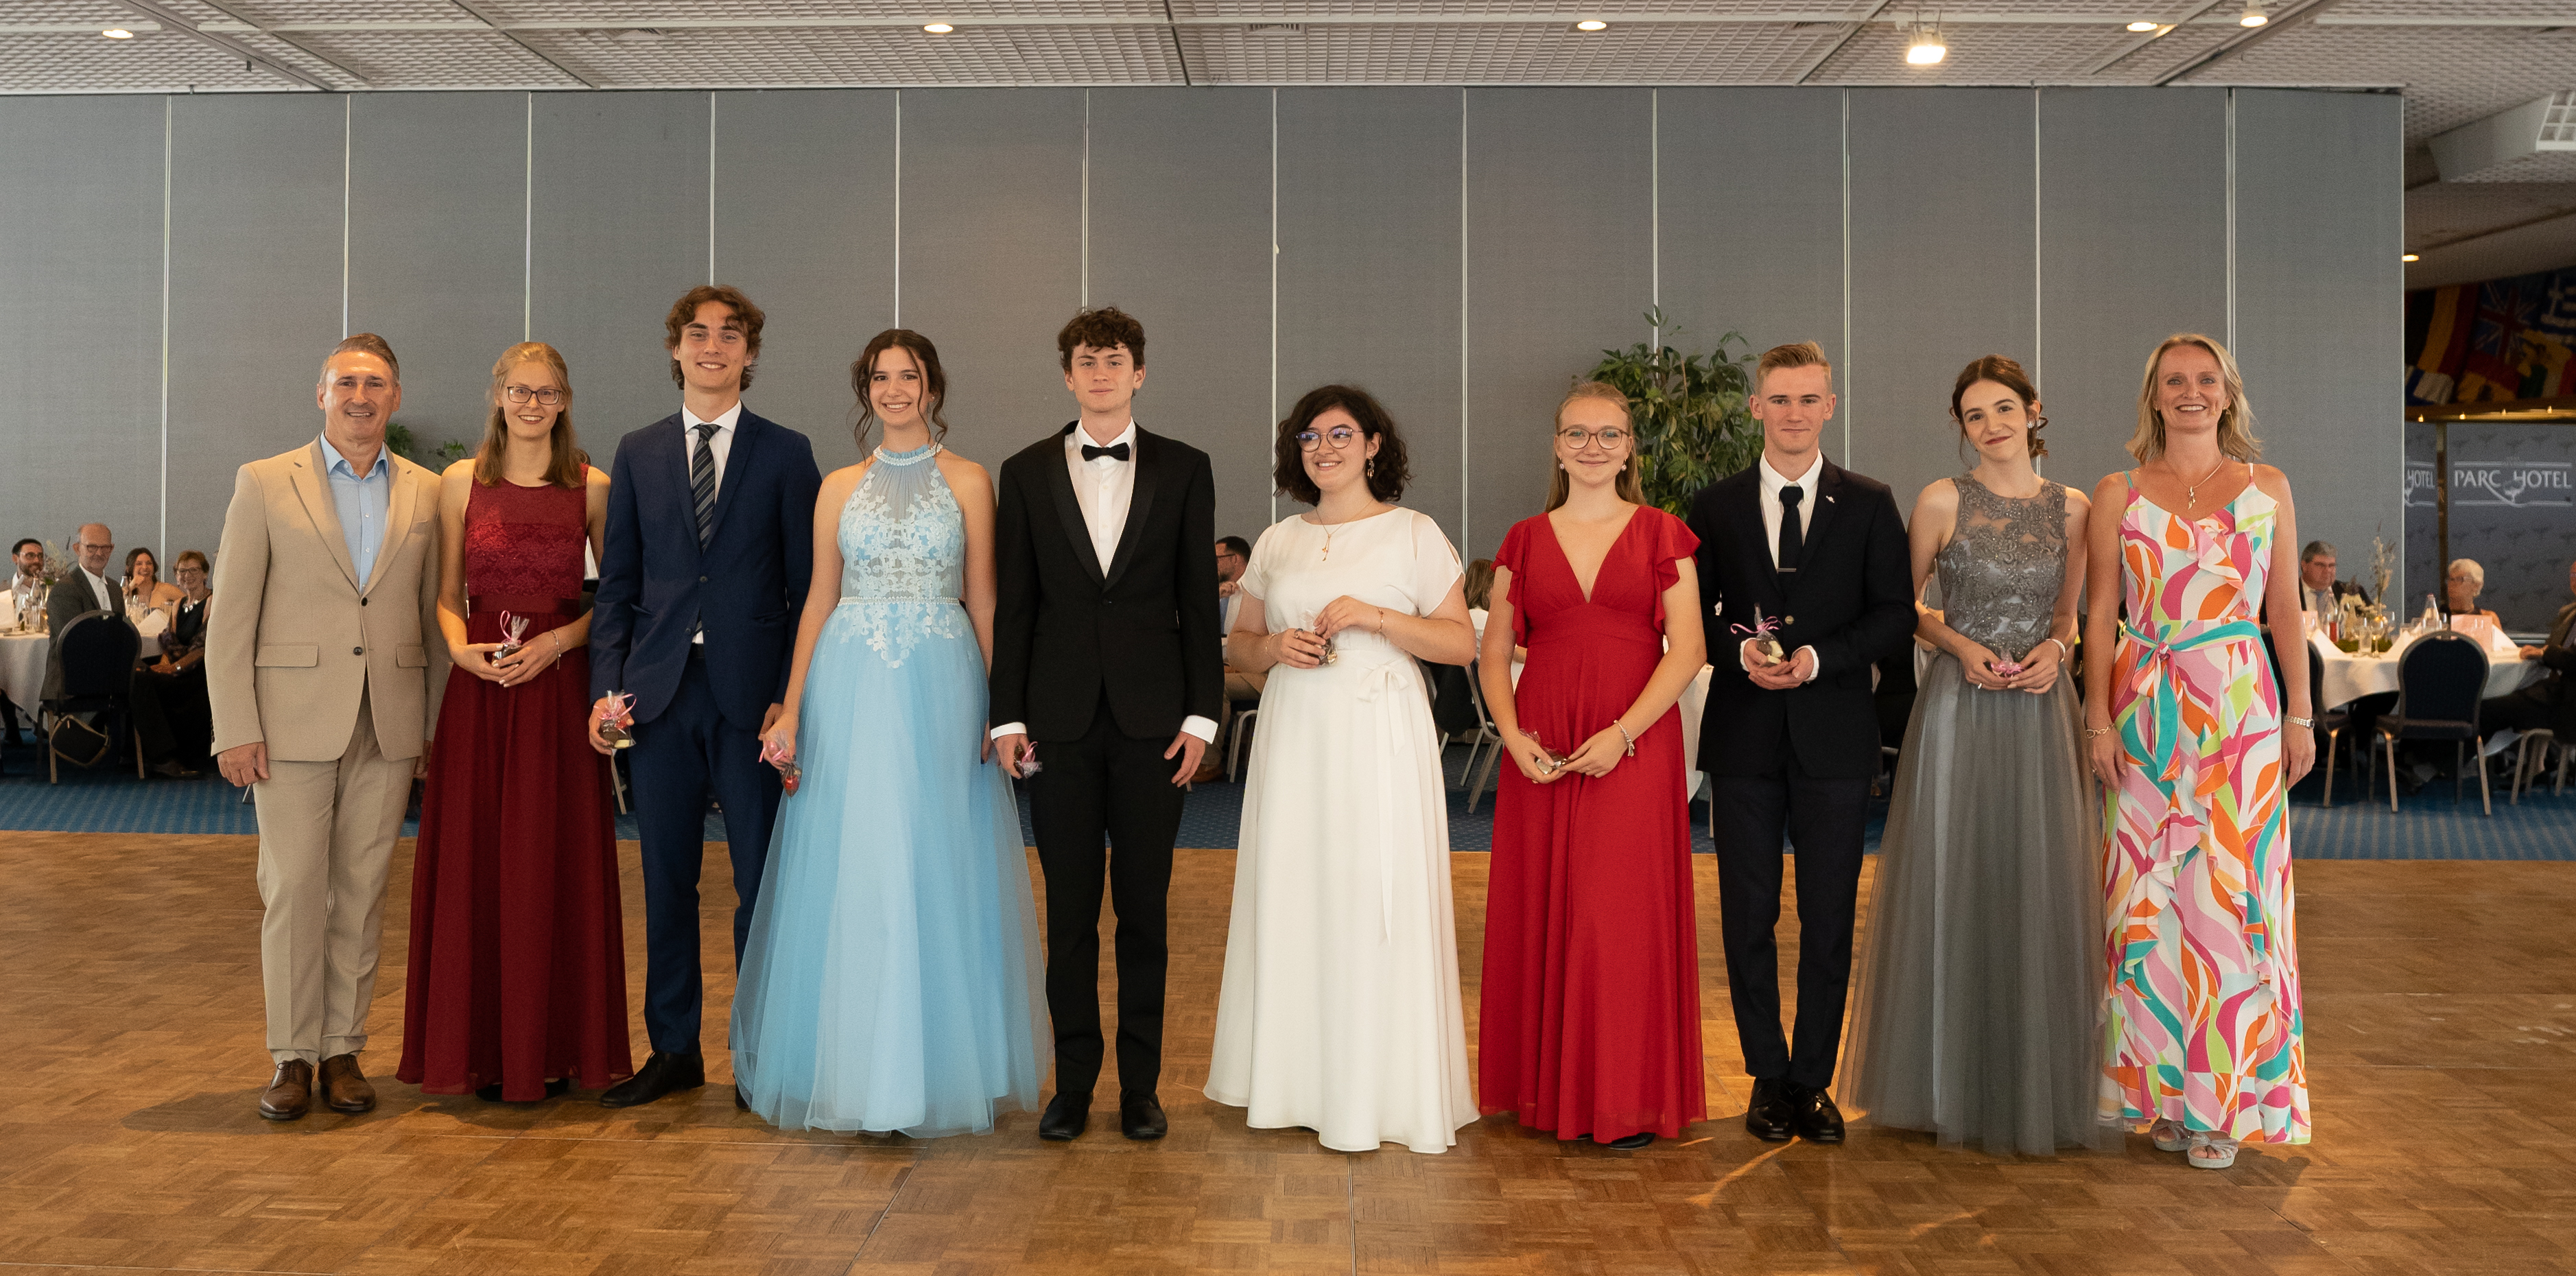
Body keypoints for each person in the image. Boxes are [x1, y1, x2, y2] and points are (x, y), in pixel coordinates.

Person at [733, 329, 1046, 1135]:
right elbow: (817, 599)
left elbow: (985, 599)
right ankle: (857, 1074)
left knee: (936, 857)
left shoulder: (970, 479)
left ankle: (937, 1071)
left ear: (932, 386)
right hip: (849, 682)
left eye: (909, 376)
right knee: (859, 860)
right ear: (864, 389)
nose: (895, 389)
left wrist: (1002, 707)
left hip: (943, 681)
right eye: (880, 377)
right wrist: (792, 706)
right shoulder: (838, 485)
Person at [1837, 355, 2105, 1156]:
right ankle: (1939, 1083)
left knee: (2036, 880)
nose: (1989, 425)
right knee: (1950, 876)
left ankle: (2032, 1082)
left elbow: (2069, 617)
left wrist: (2057, 654)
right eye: (1973, 415)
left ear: (2033, 410)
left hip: (2039, 710)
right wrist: (1958, 646)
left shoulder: (2075, 508)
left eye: (2002, 409)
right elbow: (1902, 608)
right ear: (1960, 427)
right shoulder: (1938, 500)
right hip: (1958, 705)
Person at [1205, 383, 1477, 1153]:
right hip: (1296, 729)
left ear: (1372, 445)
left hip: (1378, 730)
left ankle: (1380, 1092)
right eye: (1308, 437)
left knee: (1371, 891)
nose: (1322, 449)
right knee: (1294, 887)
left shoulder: (1413, 532)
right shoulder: (1276, 540)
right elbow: (1239, 646)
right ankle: (1293, 1083)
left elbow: (1459, 642)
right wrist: (1272, 648)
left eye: (1339, 435)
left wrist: (1376, 618)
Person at [989, 306, 1222, 1143]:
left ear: (1138, 372)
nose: (1099, 373)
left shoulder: (1184, 467)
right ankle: (1074, 1086)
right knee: (1070, 915)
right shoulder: (1023, 471)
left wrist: (1202, 715)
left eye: (1113, 359)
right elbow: (1015, 605)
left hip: (1154, 724)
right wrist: (1006, 717)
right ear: (1067, 375)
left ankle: (1141, 1090)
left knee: (1145, 914)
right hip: (1054, 725)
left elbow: (1197, 601)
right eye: (1085, 361)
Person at [2083, 333, 2315, 1170]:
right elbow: (2099, 614)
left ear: (2226, 393)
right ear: (2153, 395)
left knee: (2229, 898)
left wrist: (2300, 716)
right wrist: (2096, 719)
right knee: (2143, 902)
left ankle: (2225, 1103)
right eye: (2174, 380)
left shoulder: (2267, 486)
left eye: (2205, 380)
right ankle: (2161, 1096)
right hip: (2144, 714)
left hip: (2239, 714)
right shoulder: (2115, 492)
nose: (2190, 392)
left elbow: (2282, 610)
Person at [589, 285, 822, 1110]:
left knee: (761, 884)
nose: (712, 346)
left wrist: (791, 700)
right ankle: (673, 1050)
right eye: (697, 333)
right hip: (657, 698)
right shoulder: (638, 450)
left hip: (752, 703)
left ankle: (760, 1056)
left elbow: (810, 589)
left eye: (730, 335)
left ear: (749, 354)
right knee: (666, 882)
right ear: (675, 348)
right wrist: (606, 691)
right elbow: (616, 586)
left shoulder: (786, 452)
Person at [209, 333, 450, 1121]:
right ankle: (291, 1055)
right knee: (292, 889)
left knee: (362, 890)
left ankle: (343, 1049)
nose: (360, 396)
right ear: (321, 395)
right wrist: (234, 725)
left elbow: (433, 617)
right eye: (346, 382)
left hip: (389, 721)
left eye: (375, 384)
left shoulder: (426, 491)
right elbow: (230, 615)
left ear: (395, 398)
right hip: (287, 723)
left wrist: (433, 727)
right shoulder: (263, 481)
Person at [1683, 341, 1913, 1146]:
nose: (1792, 413)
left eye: (1807, 399)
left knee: (1826, 917)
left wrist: (1817, 659)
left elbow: (1893, 614)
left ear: (1829, 407)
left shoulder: (1870, 503)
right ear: (1756, 407)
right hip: (1743, 737)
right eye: (1778, 399)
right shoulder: (1713, 506)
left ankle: (1812, 1080)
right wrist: (1736, 652)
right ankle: (1765, 1075)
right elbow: (1694, 614)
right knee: (1747, 915)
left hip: (1835, 739)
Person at [399, 342, 629, 1105]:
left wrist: (557, 645)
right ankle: (479, 1052)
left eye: (548, 393)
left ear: (565, 402)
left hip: (558, 694)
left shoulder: (593, 487)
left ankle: (555, 1047)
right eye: (520, 391)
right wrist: (460, 653)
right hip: (481, 694)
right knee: (477, 862)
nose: (533, 405)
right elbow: (446, 596)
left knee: (551, 861)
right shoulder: (459, 482)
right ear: (497, 394)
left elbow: (616, 604)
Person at [1478, 382, 1706, 1151]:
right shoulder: (1521, 539)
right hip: (1541, 744)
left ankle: (1620, 1099)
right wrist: (1511, 736)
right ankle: (1545, 1093)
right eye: (1577, 434)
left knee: (1617, 919)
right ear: (1556, 446)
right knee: (1543, 908)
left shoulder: (1662, 533)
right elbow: (1492, 653)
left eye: (1609, 434)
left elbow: (1688, 650)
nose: (1592, 447)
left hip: (1631, 744)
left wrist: (1623, 734)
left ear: (1629, 447)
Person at [130, 549, 215, 777]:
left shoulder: (212, 602)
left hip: (198, 674)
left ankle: (162, 757)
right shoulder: (178, 604)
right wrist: (164, 665)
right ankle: (142, 753)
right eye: (182, 571)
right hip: (179, 670)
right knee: (136, 672)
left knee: (141, 681)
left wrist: (173, 668)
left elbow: (204, 649)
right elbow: (170, 643)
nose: (187, 576)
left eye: (193, 570)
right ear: (176, 576)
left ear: (205, 573)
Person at [2481, 556, 2576, 747]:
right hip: (2556, 692)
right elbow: (2555, 648)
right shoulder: (2570, 613)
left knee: (2487, 710)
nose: (2574, 580)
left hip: (2567, 703)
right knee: (2495, 702)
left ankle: (2446, 762)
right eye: (2573, 574)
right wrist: (2542, 652)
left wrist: (2546, 654)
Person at [43, 523, 124, 700]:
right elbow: (73, 641)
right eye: (91, 547)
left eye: (105, 547)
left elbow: (122, 635)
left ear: (112, 549)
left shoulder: (115, 589)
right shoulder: (65, 589)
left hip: (108, 677)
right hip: (73, 682)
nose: (99, 553)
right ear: (77, 549)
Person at [123, 547, 184, 646]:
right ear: (129, 568)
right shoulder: (123, 592)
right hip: (132, 644)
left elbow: (189, 604)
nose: (145, 567)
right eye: (139, 564)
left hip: (161, 646)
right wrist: (130, 587)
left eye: (149, 563)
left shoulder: (166, 589)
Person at [2296, 541, 2365, 618]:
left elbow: (2371, 620)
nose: (2327, 570)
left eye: (2331, 565)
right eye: (2320, 565)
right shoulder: (2291, 594)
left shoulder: (2352, 592)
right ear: (2304, 566)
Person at [2442, 558, 2503, 626]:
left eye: (2459, 579)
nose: (2452, 584)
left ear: (2476, 586)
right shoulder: (2436, 617)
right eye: (2451, 579)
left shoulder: (2488, 618)